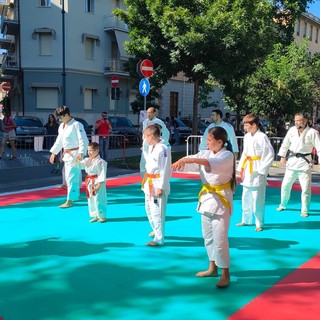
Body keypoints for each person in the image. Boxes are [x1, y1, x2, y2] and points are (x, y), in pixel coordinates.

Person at [172, 126, 235, 288]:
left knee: (220, 238)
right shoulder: (205, 153)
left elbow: (210, 163)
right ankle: (212, 267)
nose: (206, 142)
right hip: (206, 200)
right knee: (208, 237)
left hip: (221, 201)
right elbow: (194, 160)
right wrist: (179, 163)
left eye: (209, 140)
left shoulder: (227, 156)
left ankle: (225, 272)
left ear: (220, 142)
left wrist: (189, 160)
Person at [276, 112, 320, 217]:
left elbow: (319, 148)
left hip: (304, 163)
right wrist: (282, 156)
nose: (296, 123)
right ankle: (283, 204)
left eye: (298, 120)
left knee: (305, 188)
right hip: (292, 161)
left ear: (304, 121)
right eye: (295, 120)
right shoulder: (291, 130)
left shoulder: (312, 132)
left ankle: (305, 210)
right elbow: (285, 143)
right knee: (285, 185)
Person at [236, 113, 274, 232]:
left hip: (258, 168)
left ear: (254, 125)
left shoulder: (262, 137)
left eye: (246, 125)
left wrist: (262, 171)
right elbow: (245, 153)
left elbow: (270, 154)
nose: (245, 127)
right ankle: (246, 220)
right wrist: (240, 168)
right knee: (245, 196)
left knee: (258, 198)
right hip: (248, 168)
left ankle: (259, 223)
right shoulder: (247, 136)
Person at [49, 106, 89, 208]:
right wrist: (54, 153)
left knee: (71, 177)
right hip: (67, 154)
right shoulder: (62, 126)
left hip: (75, 154)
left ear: (66, 115)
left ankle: (70, 199)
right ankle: (76, 195)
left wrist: (81, 152)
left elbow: (83, 139)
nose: (60, 120)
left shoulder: (76, 125)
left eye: (61, 117)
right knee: (74, 176)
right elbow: (59, 141)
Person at [140, 124, 171, 247]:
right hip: (149, 183)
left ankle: (159, 239)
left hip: (157, 183)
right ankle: (156, 230)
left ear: (151, 136)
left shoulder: (163, 149)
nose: (145, 139)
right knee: (148, 209)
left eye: (146, 137)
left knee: (157, 211)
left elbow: (165, 169)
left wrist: (161, 187)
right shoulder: (152, 147)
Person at [79, 142, 108, 223]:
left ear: (97, 151)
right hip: (89, 181)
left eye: (91, 150)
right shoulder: (87, 160)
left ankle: (102, 215)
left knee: (99, 198)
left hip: (97, 181)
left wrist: (99, 183)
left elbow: (102, 173)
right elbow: (79, 165)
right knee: (91, 198)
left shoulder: (101, 162)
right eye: (88, 150)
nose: (89, 152)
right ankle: (95, 215)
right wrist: (76, 158)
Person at [140, 107, 171, 176]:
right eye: (147, 113)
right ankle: (144, 177)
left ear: (154, 113)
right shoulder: (145, 122)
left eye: (150, 113)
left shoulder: (158, 122)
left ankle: (156, 176)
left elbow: (164, 133)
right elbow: (144, 133)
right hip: (146, 143)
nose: (148, 114)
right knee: (144, 161)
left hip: (154, 144)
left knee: (153, 161)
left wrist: (163, 142)